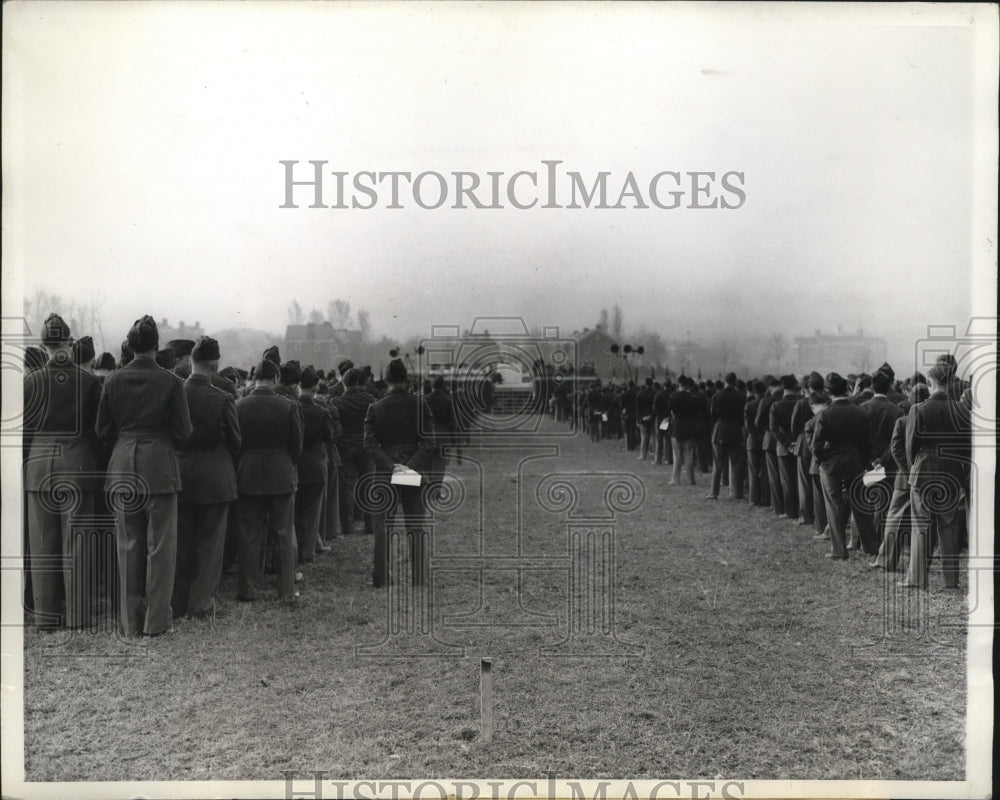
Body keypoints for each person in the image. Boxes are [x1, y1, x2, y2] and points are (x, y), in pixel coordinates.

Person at [96, 315, 192, 636]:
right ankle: (156, 622)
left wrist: (124, 446)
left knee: (128, 544)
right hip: (160, 467)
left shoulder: (112, 380)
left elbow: (102, 430)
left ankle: (129, 621)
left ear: (131, 345)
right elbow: (183, 431)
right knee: (161, 546)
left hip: (123, 464)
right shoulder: (172, 382)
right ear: (155, 345)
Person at [24, 313, 103, 629]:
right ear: (70, 343)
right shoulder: (89, 382)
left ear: (43, 346)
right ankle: (79, 616)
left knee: (42, 543)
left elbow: (24, 432)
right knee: (78, 543)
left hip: (39, 466)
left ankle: (45, 615)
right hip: (78, 465)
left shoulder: (29, 382)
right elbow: (99, 431)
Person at [173, 336, 240, 619]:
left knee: (181, 540)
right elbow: (236, 442)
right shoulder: (223, 398)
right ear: (214, 364)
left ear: (190, 360)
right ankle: (200, 604)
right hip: (215, 476)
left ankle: (177, 601)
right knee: (211, 544)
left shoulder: (175, 392)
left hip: (180, 474)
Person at [235, 357, 303, 602]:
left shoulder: (239, 405)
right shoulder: (288, 406)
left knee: (248, 534)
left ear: (254, 379)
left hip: (247, 474)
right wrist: (286, 463)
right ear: (276, 379)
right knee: (283, 533)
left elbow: (235, 444)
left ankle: (247, 589)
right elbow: (296, 446)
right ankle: (285, 589)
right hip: (281, 473)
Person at [364, 358, 436, 588]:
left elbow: (370, 445)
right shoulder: (420, 404)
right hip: (412, 469)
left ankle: (381, 578)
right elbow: (428, 442)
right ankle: (419, 578)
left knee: (383, 526)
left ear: (387, 379)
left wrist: (391, 466)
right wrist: (408, 467)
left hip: (386, 471)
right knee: (416, 526)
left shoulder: (375, 407)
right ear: (406, 378)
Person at [900, 365, 971, 589]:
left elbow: (910, 448)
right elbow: (967, 447)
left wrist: (915, 469)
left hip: (923, 471)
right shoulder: (962, 410)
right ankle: (951, 582)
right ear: (949, 383)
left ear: (930, 383)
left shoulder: (918, 410)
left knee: (920, 526)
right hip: (951, 472)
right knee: (949, 527)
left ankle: (917, 579)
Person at [811, 373, 878, 560]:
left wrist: (822, 460)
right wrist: (864, 463)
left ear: (828, 392)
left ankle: (839, 550)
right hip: (854, 462)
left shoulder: (824, 414)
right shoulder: (860, 412)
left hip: (831, 464)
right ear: (847, 389)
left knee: (834, 505)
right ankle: (871, 546)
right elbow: (867, 443)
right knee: (860, 504)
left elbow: (816, 444)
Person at [295, 366, 334, 562]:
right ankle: (308, 551)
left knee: (295, 512)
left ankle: (296, 548)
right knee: (313, 512)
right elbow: (329, 438)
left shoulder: (290, 407)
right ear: (315, 386)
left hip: (294, 465)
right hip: (316, 465)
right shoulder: (322, 412)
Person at [707, 372, 746, 500]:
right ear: (735, 382)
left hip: (720, 430)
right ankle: (736, 492)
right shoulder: (741, 396)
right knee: (735, 464)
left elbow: (712, 415)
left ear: (725, 381)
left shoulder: (717, 396)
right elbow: (742, 416)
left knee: (717, 463)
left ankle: (714, 492)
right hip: (735, 431)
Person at [769, 375, 800, 520]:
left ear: (783, 388)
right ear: (795, 386)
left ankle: (790, 511)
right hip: (800, 445)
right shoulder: (801, 402)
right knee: (801, 480)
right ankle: (803, 510)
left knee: (787, 482)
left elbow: (774, 429)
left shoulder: (776, 405)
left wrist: (787, 444)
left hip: (783, 447)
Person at [669, 376, 699, 486]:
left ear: (679, 384)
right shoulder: (692, 397)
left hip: (677, 427)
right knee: (689, 455)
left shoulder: (673, 397)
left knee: (677, 456)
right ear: (687, 385)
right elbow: (695, 412)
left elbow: (672, 412)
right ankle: (691, 480)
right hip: (689, 428)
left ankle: (675, 479)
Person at [635, 378, 656, 461]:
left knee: (644, 438)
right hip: (652, 418)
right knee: (654, 437)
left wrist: (639, 418)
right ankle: (655, 455)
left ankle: (642, 455)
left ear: (645, 384)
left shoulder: (640, 393)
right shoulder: (655, 393)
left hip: (643, 418)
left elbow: (637, 407)